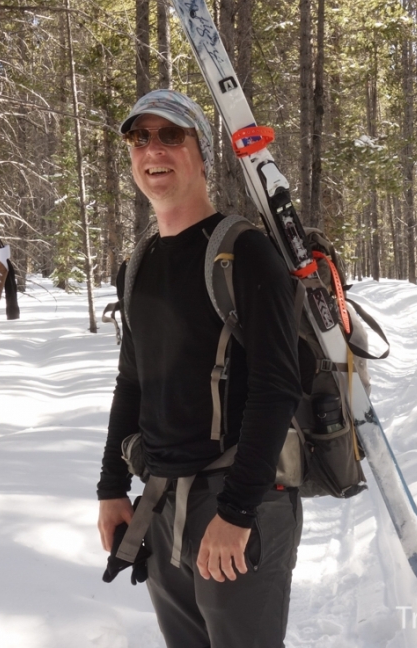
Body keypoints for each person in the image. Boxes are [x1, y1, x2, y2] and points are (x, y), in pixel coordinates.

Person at [97, 89, 303, 648]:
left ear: (202, 154)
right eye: (140, 137)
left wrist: (236, 512)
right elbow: (131, 383)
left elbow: (275, 388)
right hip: (162, 505)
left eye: (171, 135)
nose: (153, 149)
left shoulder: (246, 252)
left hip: (240, 499)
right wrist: (111, 487)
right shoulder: (137, 265)